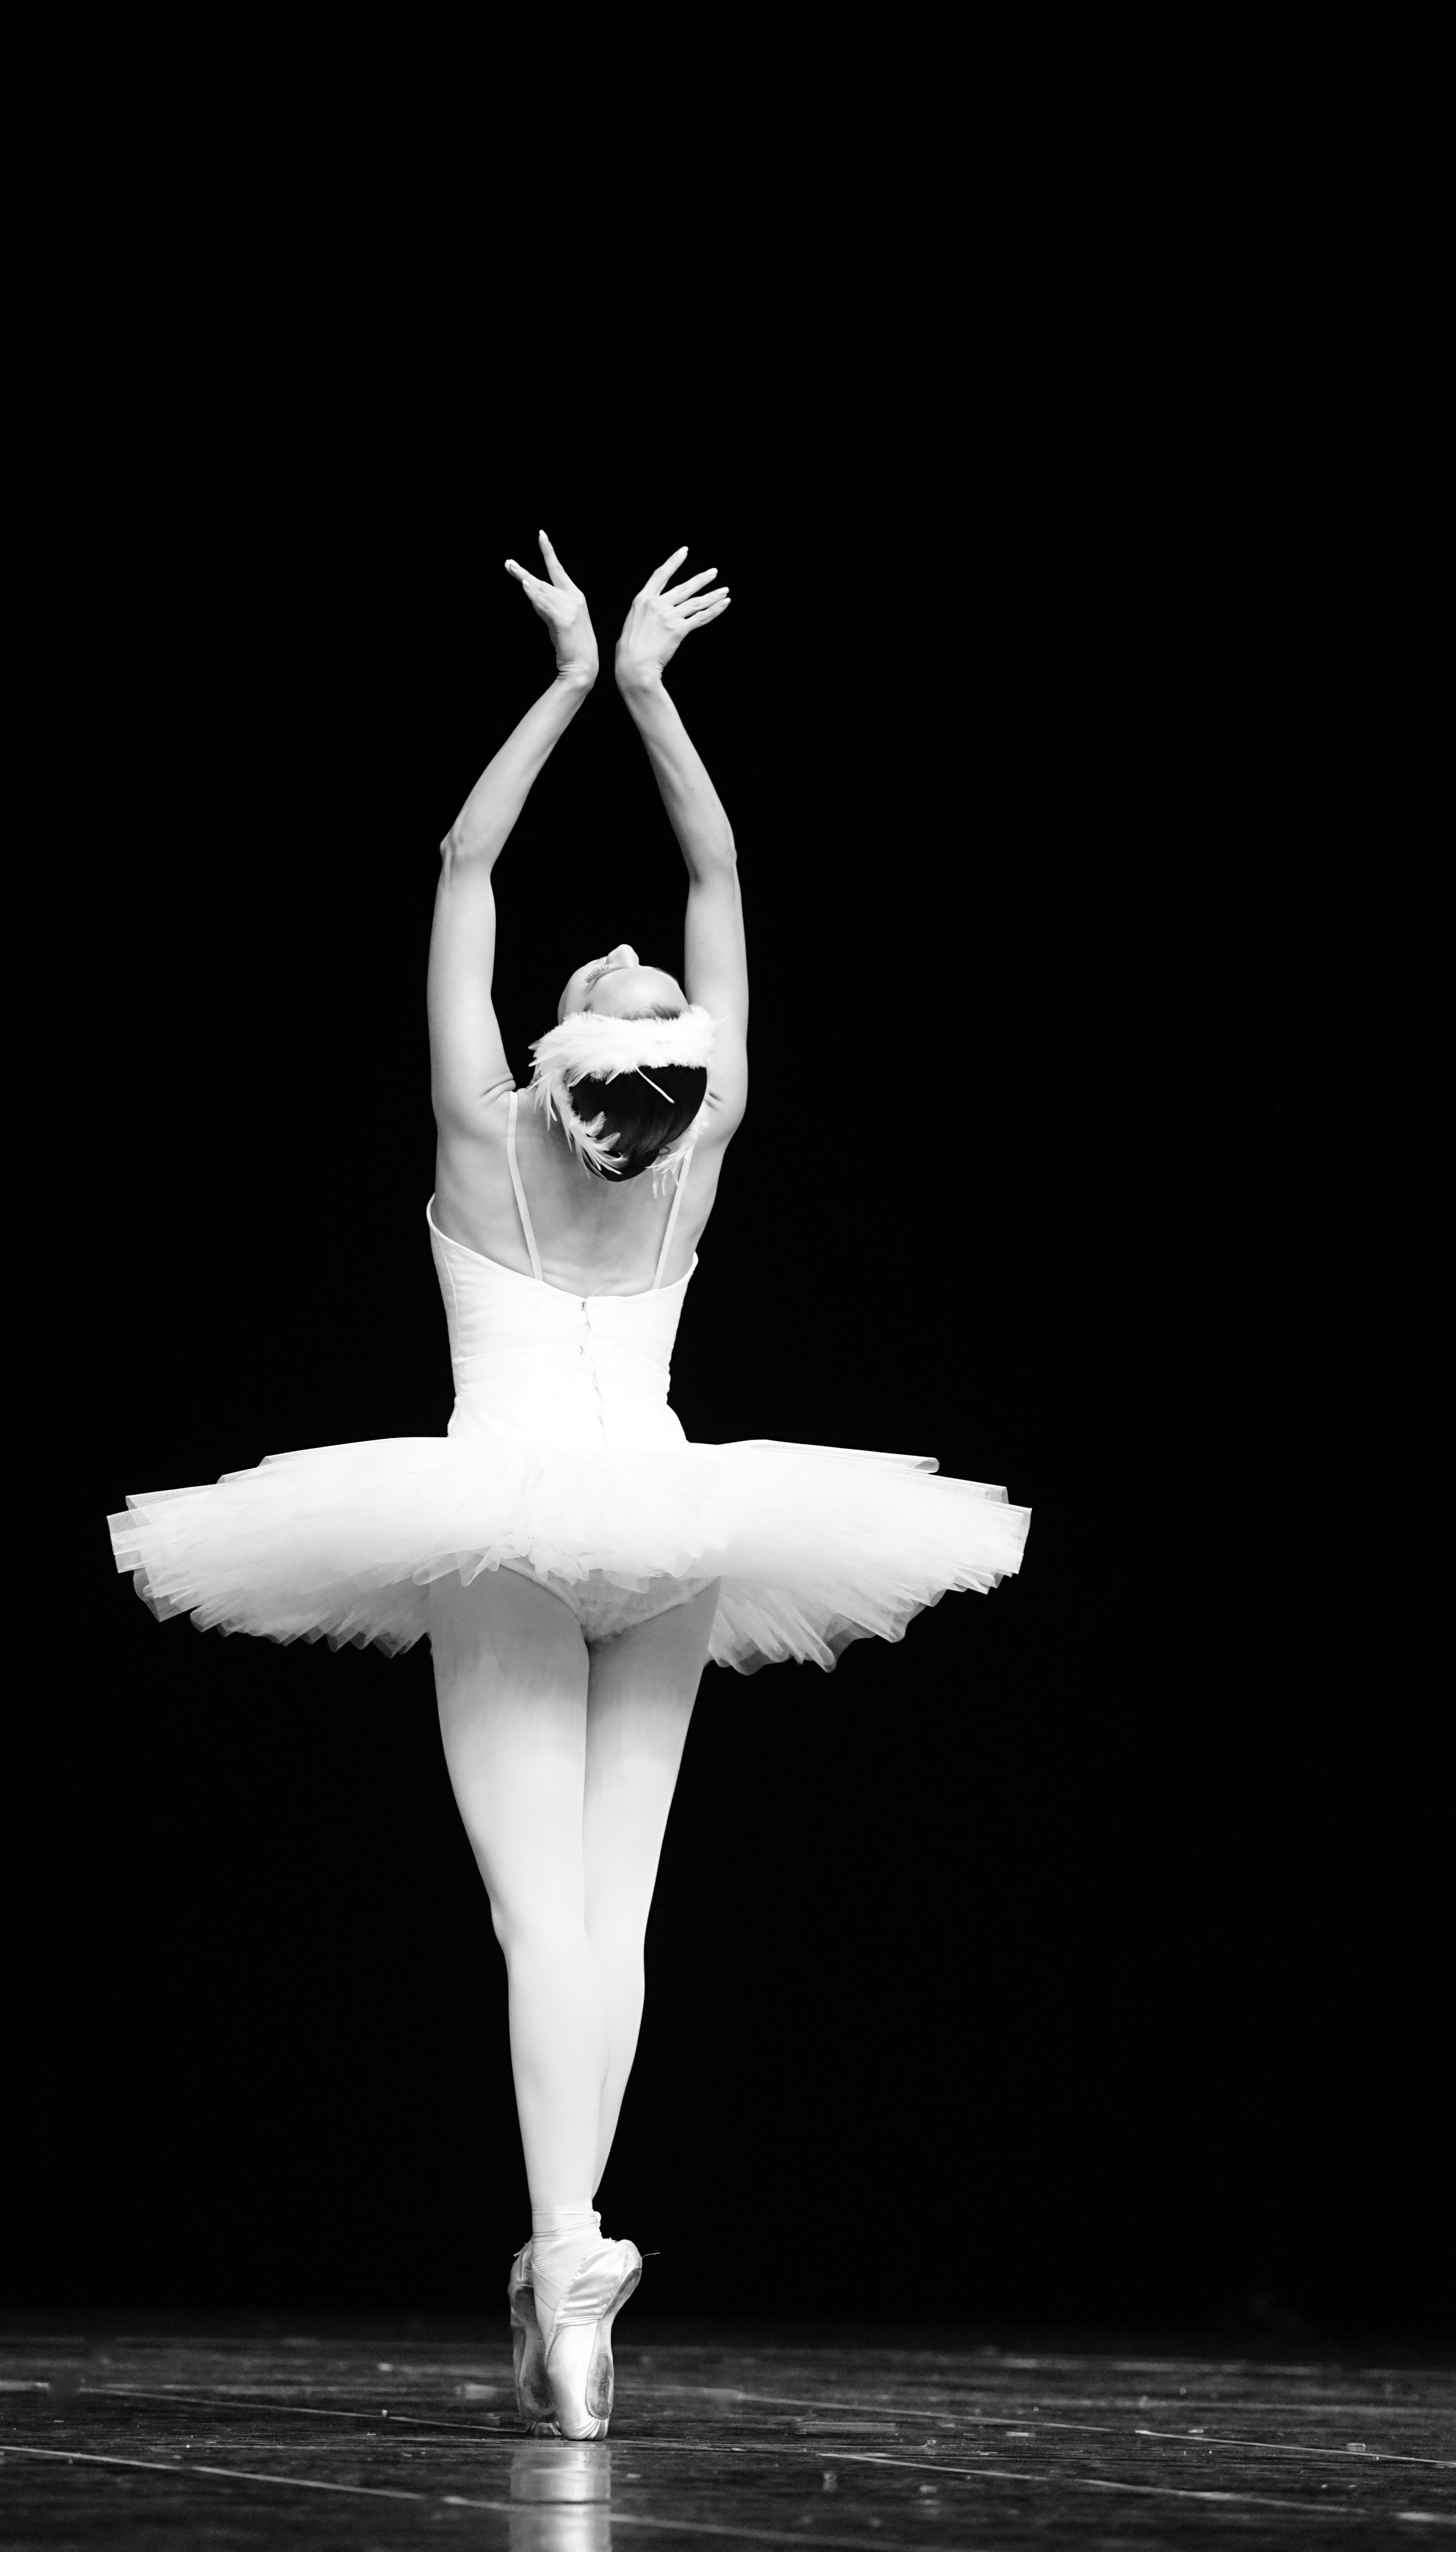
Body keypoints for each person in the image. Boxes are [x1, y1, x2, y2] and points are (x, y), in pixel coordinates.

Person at [108, 532, 1029, 2439]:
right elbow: (715, 874)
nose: (626, 954)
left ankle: (570, 2247)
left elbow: (465, 871)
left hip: (510, 1518)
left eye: (621, 982)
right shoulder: (699, 1151)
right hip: (674, 1520)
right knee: (617, 1916)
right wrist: (654, 698)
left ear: (572, 1053)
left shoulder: (482, 1142)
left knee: (552, 1919)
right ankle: (573, 2270)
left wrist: (560, 688)